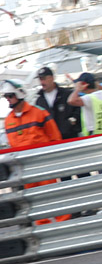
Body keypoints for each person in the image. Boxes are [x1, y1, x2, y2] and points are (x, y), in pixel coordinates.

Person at [2, 79, 69, 224]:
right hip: (24, 167)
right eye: (5, 96)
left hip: (43, 163)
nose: (8, 99)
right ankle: (42, 226)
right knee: (33, 199)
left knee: (53, 194)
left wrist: (55, 159)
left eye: (10, 95)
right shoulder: (8, 120)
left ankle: (64, 222)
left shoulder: (39, 113)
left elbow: (55, 137)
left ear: (19, 95)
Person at [33, 66, 81, 139]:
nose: (42, 82)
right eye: (40, 79)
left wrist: (71, 121)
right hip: (51, 140)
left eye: (44, 79)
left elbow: (78, 110)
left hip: (70, 137)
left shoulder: (66, 94)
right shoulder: (39, 101)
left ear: (52, 78)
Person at [68, 72, 102, 136]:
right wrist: (95, 84)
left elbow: (71, 101)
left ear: (84, 85)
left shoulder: (89, 98)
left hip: (94, 133)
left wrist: (77, 89)